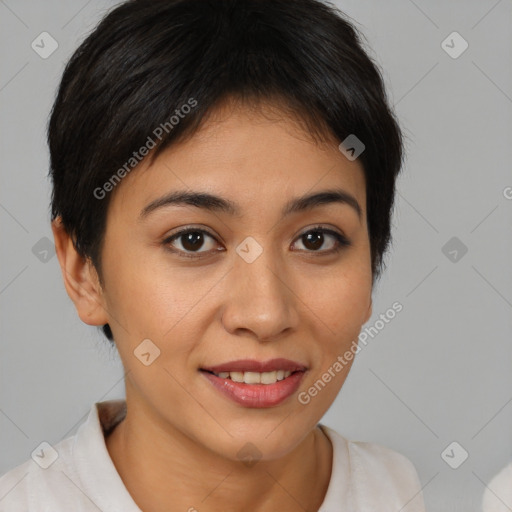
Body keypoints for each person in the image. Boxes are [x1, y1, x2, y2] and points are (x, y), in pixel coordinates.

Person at [0, 0, 425, 510]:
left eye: (316, 239)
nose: (265, 314)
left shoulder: (404, 494)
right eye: (193, 240)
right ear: (83, 272)